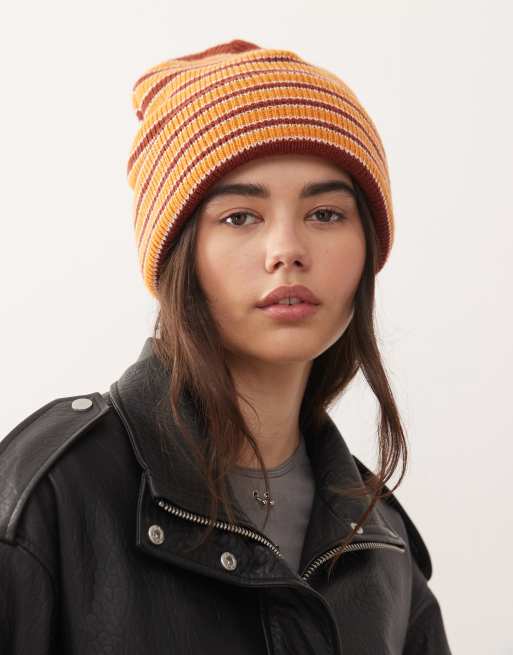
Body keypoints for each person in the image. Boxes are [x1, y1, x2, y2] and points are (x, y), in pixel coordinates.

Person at [0, 39, 452, 654]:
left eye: (325, 214)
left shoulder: (382, 540)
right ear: (179, 254)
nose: (287, 250)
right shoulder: (54, 489)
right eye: (240, 217)